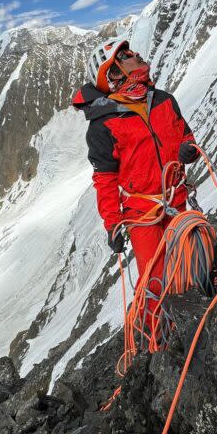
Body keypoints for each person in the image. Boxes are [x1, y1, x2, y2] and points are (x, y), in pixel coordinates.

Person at [72, 37, 199, 334]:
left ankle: (193, 329)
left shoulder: (165, 100)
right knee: (155, 280)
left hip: (176, 199)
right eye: (126, 54)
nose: (136, 55)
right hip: (142, 214)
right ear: (112, 73)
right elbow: (105, 180)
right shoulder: (103, 125)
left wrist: (189, 149)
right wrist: (112, 224)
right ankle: (158, 342)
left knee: (188, 268)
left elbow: (186, 136)